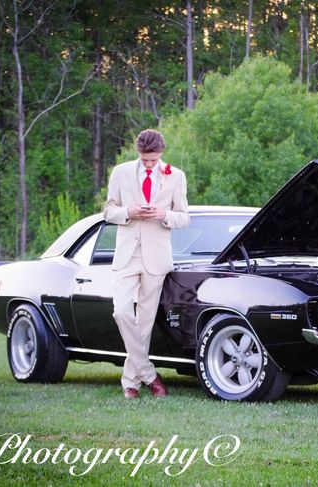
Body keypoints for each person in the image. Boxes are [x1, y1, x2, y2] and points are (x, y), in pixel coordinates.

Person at [104, 129, 190, 399]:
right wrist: (128, 212)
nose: (149, 164)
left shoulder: (176, 176)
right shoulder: (121, 172)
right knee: (121, 311)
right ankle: (150, 374)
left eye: (153, 160)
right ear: (138, 152)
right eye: (145, 159)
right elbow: (108, 211)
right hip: (127, 255)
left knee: (145, 322)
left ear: (161, 152)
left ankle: (131, 382)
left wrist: (164, 214)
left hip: (157, 257)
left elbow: (184, 218)